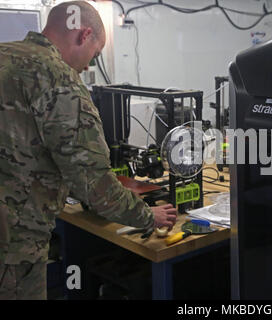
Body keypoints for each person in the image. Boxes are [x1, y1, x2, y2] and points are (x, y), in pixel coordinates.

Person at [0, 1, 177, 300]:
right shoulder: (59, 81)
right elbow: (95, 187)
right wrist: (149, 216)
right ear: (83, 35)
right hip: (14, 242)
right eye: (94, 55)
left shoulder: (5, 54)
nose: (87, 67)